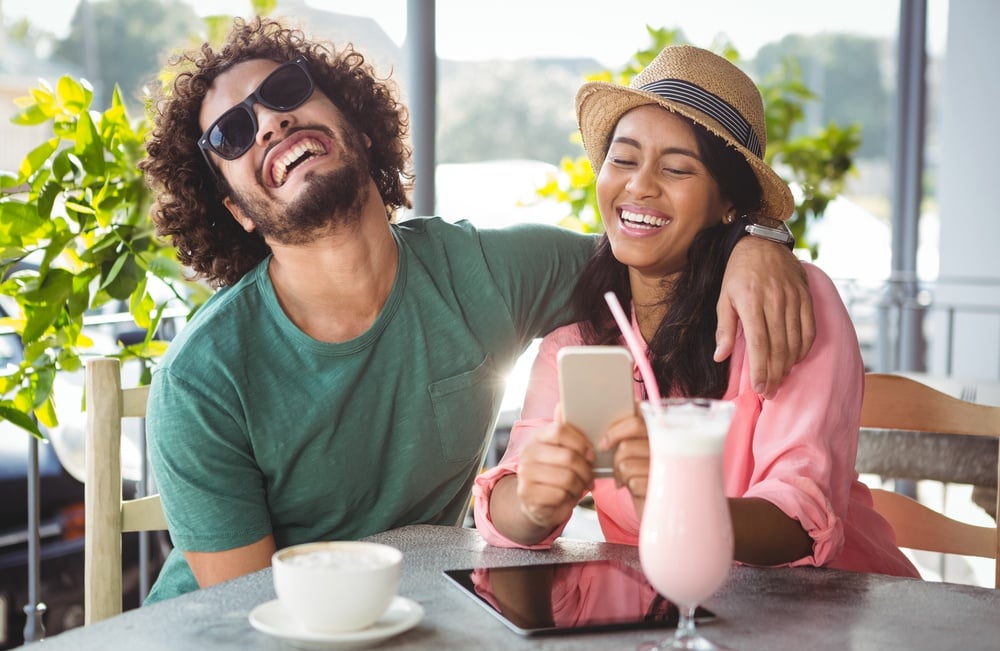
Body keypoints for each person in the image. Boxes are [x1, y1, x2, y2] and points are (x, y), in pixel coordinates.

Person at [138, 17, 816, 602]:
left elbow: (658, 247)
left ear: (359, 126)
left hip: (425, 619)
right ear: (235, 213)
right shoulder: (203, 378)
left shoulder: (484, 271)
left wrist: (757, 238)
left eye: (284, 91)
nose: (269, 122)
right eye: (231, 133)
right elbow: (247, 615)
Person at [473, 44, 918, 578]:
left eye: (678, 168)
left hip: (834, 614)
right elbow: (508, 505)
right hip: (674, 617)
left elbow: (802, 517)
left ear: (728, 203)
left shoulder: (789, 303)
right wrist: (530, 503)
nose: (639, 184)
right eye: (623, 158)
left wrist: (682, 503)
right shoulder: (576, 348)